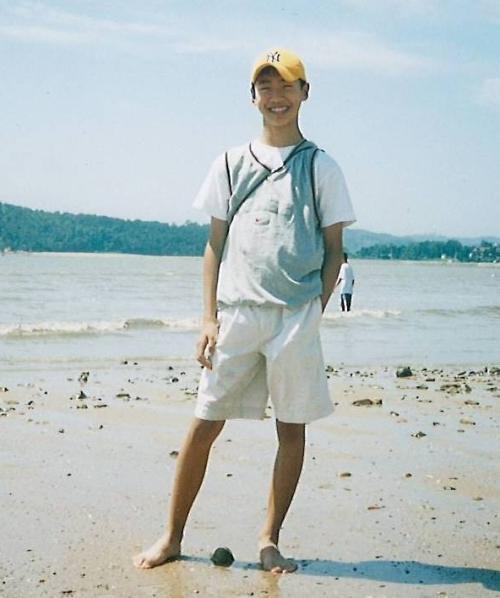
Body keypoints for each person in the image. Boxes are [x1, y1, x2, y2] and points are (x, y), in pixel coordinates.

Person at [133, 48, 356, 574]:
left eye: (287, 86)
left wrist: (314, 312)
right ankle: (172, 536)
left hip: (295, 316)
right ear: (252, 97)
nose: (276, 97)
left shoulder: (321, 166)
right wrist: (208, 318)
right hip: (235, 315)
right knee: (204, 422)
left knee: (292, 428)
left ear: (305, 93)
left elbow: (334, 251)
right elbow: (215, 244)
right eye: (265, 87)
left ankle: (269, 539)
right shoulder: (230, 163)